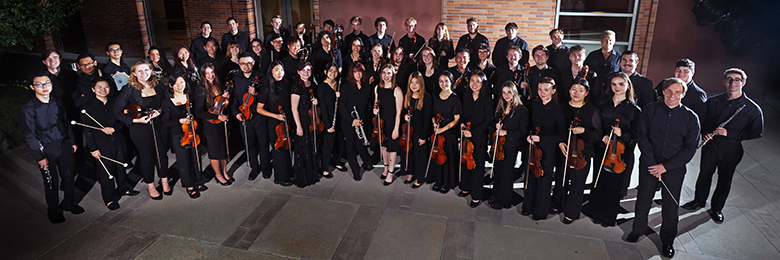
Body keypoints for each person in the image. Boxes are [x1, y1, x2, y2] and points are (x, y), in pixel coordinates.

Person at [627, 78, 700, 258]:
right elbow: (643, 138)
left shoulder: (691, 118)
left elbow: (690, 148)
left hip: (673, 168)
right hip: (649, 164)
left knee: (670, 205)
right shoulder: (650, 110)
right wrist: (653, 165)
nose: (672, 95)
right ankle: (638, 229)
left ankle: (667, 240)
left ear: (683, 94)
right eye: (669, 91)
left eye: (677, 92)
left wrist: (665, 167)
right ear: (663, 92)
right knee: (643, 198)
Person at [681, 68, 764, 223]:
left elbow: (756, 133)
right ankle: (698, 201)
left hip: (732, 148)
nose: (733, 82)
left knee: (724, 179)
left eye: (737, 79)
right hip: (711, 145)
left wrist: (729, 134)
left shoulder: (752, 108)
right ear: (724, 82)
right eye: (729, 79)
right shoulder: (713, 102)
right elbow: (703, 122)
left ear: (743, 83)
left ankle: (717, 208)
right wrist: (705, 132)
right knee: (704, 175)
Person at [21, 74, 84, 223]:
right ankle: (53, 209)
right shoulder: (28, 109)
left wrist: (72, 141)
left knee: (69, 177)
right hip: (46, 149)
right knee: (51, 182)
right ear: (32, 87)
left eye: (47, 83)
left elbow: (65, 122)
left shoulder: (57, 102)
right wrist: (39, 157)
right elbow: (29, 134)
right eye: (39, 84)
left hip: (63, 144)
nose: (44, 87)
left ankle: (69, 202)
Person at [582, 72, 641, 226]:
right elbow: (596, 124)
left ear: (628, 86)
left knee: (615, 184)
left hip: (621, 152)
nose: (617, 87)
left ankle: (608, 216)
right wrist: (602, 135)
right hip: (602, 148)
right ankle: (595, 211)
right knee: (599, 179)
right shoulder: (603, 103)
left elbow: (637, 133)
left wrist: (623, 134)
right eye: (614, 84)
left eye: (621, 84)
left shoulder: (634, 109)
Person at [113, 61, 170, 200]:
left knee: (162, 154)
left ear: (151, 70)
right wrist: (136, 120)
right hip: (140, 127)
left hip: (159, 124)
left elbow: (165, 103)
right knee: (147, 157)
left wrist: (160, 111)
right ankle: (150, 185)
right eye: (140, 71)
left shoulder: (158, 85)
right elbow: (116, 112)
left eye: (146, 70)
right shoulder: (129, 89)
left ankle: (164, 180)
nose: (143, 73)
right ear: (133, 73)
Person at [550, 78, 602, 224]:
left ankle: (571, 211)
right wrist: (560, 141)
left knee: (578, 183)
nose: (576, 93)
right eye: (574, 89)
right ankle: (557, 203)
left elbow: (597, 134)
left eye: (580, 90)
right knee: (561, 177)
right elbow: (555, 128)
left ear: (586, 93)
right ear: (569, 91)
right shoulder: (562, 107)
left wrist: (584, 130)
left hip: (583, 153)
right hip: (564, 149)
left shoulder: (592, 110)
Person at [82, 80, 136, 210]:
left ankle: (123, 189)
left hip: (118, 141)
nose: (103, 89)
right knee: (106, 172)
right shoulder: (87, 108)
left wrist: (114, 129)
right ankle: (110, 198)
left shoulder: (115, 103)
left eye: (106, 86)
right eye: (99, 87)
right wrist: (93, 149)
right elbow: (87, 132)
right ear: (93, 89)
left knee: (121, 167)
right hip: (101, 144)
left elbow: (122, 121)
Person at [522, 77, 566, 220]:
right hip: (534, 147)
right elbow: (531, 125)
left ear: (553, 91)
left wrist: (542, 139)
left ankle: (540, 211)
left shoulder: (557, 111)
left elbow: (561, 135)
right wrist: (530, 136)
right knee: (530, 176)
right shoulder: (535, 105)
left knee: (544, 180)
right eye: (540, 89)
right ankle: (528, 206)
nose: (542, 92)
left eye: (546, 90)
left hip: (548, 150)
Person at [163, 75, 207, 198]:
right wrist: (179, 121)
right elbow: (165, 122)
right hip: (178, 135)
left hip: (192, 132)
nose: (179, 85)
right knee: (183, 160)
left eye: (181, 82)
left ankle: (198, 180)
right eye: (175, 83)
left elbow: (196, 113)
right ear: (171, 86)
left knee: (195, 157)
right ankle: (189, 185)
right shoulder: (167, 101)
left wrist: (192, 117)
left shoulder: (189, 97)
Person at [230, 52, 268, 180]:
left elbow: (268, 97)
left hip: (259, 116)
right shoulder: (236, 79)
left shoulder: (261, 77)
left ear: (253, 63)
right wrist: (236, 113)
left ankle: (265, 166)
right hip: (244, 116)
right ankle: (254, 167)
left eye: (248, 63)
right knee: (249, 144)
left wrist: (256, 93)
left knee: (263, 143)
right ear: (239, 64)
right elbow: (234, 99)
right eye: (242, 63)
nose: (246, 66)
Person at [459, 72, 495, 207]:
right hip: (466, 134)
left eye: (478, 81)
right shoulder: (467, 96)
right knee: (465, 161)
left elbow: (488, 121)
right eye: (472, 80)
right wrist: (462, 124)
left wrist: (473, 133)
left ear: (483, 83)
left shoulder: (487, 99)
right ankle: (466, 187)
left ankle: (476, 195)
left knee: (477, 165)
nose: (474, 84)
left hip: (479, 136)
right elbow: (462, 113)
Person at [256, 61, 294, 186]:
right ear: (271, 72)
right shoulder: (267, 88)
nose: (280, 73)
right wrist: (276, 116)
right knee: (279, 150)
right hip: (275, 122)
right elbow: (259, 109)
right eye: (276, 70)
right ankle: (280, 177)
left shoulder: (286, 83)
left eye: (281, 70)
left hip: (286, 120)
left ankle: (288, 173)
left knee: (287, 148)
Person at [194, 63, 232, 186]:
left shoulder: (218, 86)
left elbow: (221, 106)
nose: (211, 75)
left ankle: (225, 172)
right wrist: (217, 117)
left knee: (224, 148)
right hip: (210, 124)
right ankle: (218, 175)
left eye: (212, 72)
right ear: (203, 75)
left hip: (222, 121)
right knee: (215, 151)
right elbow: (199, 112)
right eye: (207, 73)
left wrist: (225, 98)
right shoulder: (201, 89)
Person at [339, 62, 374, 180]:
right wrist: (352, 120)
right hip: (349, 121)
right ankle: (355, 170)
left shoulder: (367, 87)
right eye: (355, 72)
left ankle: (367, 161)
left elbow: (369, 105)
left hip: (362, 121)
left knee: (360, 144)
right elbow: (342, 107)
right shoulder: (346, 87)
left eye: (360, 71)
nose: (357, 74)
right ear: (351, 73)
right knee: (350, 146)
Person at [428, 71, 462, 194]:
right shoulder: (436, 96)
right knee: (438, 156)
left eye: (446, 81)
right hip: (438, 129)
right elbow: (432, 114)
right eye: (441, 81)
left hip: (449, 132)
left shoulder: (455, 99)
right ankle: (439, 180)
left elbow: (456, 120)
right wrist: (434, 123)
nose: (443, 83)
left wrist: (442, 129)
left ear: (451, 82)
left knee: (447, 157)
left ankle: (447, 182)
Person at [290, 62, 322, 187]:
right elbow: (294, 108)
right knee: (303, 148)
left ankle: (312, 174)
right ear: (298, 72)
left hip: (311, 120)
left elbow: (313, 101)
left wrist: (316, 101)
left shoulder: (312, 84)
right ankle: (303, 176)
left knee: (312, 147)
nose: (306, 72)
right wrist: (298, 125)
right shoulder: (296, 87)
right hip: (302, 121)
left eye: (308, 70)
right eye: (303, 70)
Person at [374, 64, 404, 185]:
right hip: (381, 123)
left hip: (392, 123)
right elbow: (375, 104)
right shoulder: (377, 88)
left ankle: (391, 173)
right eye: (384, 73)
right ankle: (386, 168)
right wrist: (374, 110)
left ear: (393, 75)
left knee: (392, 148)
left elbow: (399, 112)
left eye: (389, 73)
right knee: (383, 146)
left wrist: (396, 129)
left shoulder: (397, 90)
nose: (386, 76)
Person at [402, 72, 433, 187]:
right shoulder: (408, 96)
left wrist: (423, 136)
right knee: (409, 153)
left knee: (420, 156)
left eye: (416, 82)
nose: (414, 85)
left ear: (421, 84)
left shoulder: (426, 98)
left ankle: (419, 177)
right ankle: (410, 173)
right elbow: (403, 112)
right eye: (412, 82)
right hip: (409, 131)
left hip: (420, 132)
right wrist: (405, 116)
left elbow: (427, 119)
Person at [318, 63, 348, 177]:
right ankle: (324, 167)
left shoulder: (339, 84)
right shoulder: (322, 87)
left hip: (340, 118)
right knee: (328, 144)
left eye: (335, 71)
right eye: (330, 70)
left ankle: (336, 161)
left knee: (339, 142)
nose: (333, 73)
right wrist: (327, 125)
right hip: (329, 119)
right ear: (326, 72)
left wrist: (340, 96)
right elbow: (323, 108)